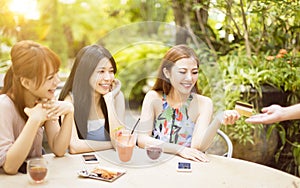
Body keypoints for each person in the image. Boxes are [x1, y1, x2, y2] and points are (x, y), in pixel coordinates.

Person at [137, 44, 240, 162]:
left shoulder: (204, 103)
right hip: (156, 164)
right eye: (182, 72)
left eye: (194, 72)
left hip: (188, 169)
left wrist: (217, 120)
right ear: (167, 73)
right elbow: (142, 140)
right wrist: (179, 149)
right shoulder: (154, 98)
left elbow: (197, 146)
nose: (189, 78)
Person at [0, 40, 74, 174]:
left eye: (57, 73)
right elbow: (10, 167)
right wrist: (34, 120)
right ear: (26, 82)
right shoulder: (4, 106)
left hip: (33, 178)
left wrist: (69, 112)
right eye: (50, 77)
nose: (57, 81)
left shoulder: (44, 100)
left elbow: (59, 149)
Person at [58, 44, 125, 154]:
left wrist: (109, 101)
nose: (108, 78)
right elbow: (74, 147)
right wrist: (113, 144)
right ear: (85, 73)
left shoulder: (116, 97)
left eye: (111, 71)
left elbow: (120, 139)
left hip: (111, 166)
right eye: (101, 71)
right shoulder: (69, 100)